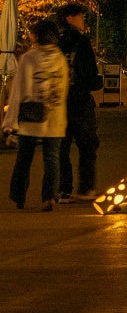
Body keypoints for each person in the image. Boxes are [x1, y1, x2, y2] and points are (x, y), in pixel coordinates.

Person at [4, 19, 69, 210]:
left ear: (37, 37)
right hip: (55, 116)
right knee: (52, 158)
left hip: (30, 117)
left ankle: (18, 195)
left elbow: (18, 91)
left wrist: (9, 121)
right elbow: (64, 89)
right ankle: (49, 197)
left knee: (24, 158)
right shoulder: (61, 59)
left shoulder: (29, 58)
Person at [56, 3, 102, 201]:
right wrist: (96, 82)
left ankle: (63, 189)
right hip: (80, 100)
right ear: (69, 18)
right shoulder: (82, 42)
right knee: (87, 145)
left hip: (58, 102)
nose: (83, 20)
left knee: (61, 147)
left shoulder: (55, 43)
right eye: (80, 16)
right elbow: (90, 73)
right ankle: (85, 187)